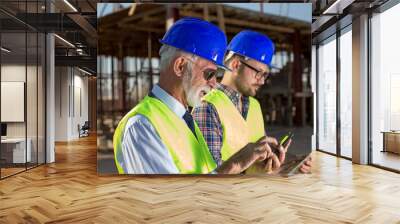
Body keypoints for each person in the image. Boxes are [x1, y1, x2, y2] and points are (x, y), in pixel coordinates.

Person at [113, 18, 275, 174]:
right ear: (180, 66)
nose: (213, 83)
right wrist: (235, 163)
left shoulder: (186, 121)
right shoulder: (142, 126)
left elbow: (206, 176)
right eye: (209, 73)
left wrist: (254, 169)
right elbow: (168, 198)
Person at [193, 30, 312, 174]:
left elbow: (255, 163)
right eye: (259, 72)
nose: (262, 81)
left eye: (265, 75)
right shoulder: (207, 106)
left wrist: (290, 161)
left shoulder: (254, 105)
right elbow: (210, 177)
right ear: (236, 65)